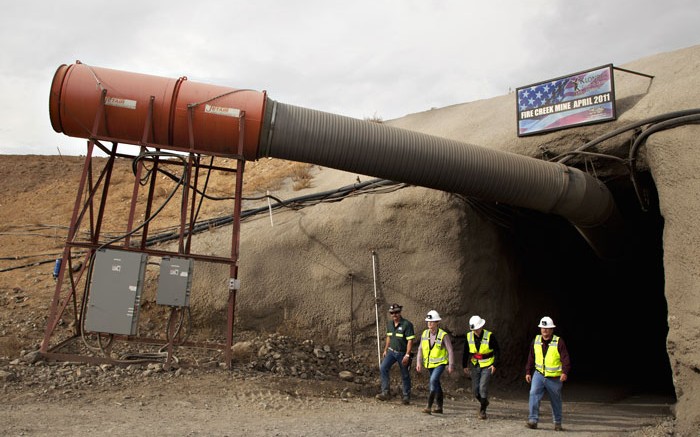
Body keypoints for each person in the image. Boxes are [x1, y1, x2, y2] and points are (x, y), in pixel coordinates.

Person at [525, 316, 571, 431]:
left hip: (554, 378)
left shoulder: (559, 342)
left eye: (547, 328)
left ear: (552, 329)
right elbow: (531, 357)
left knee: (556, 400)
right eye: (543, 328)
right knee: (533, 394)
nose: (544, 330)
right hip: (539, 374)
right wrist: (528, 371)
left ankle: (557, 423)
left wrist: (565, 372)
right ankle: (533, 420)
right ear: (540, 329)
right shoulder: (536, 340)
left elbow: (565, 358)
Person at [376, 303, 416, 404]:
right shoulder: (390, 324)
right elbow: (389, 337)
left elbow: (410, 341)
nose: (395, 314)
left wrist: (407, 355)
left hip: (402, 353)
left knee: (405, 374)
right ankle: (385, 392)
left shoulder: (407, 325)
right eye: (392, 313)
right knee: (383, 367)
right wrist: (385, 350)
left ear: (400, 312)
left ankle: (406, 396)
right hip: (391, 352)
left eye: (397, 312)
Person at [416, 310, 454, 414]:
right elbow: (420, 349)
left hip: (440, 364)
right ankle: (439, 406)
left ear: (437, 322)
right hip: (429, 364)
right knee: (436, 383)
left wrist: (451, 365)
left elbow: (450, 350)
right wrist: (418, 362)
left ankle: (428, 406)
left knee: (433, 381)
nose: (429, 323)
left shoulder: (443, 335)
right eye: (428, 321)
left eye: (432, 321)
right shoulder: (425, 333)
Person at [463, 315, 500, 419]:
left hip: (487, 364)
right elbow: (466, 352)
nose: (476, 331)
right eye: (474, 329)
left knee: (482, 387)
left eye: (477, 329)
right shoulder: (469, 336)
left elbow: (497, 351)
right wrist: (464, 365)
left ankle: (483, 411)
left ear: (481, 326)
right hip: (475, 364)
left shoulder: (489, 336)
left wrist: (495, 365)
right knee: (475, 390)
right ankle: (484, 402)